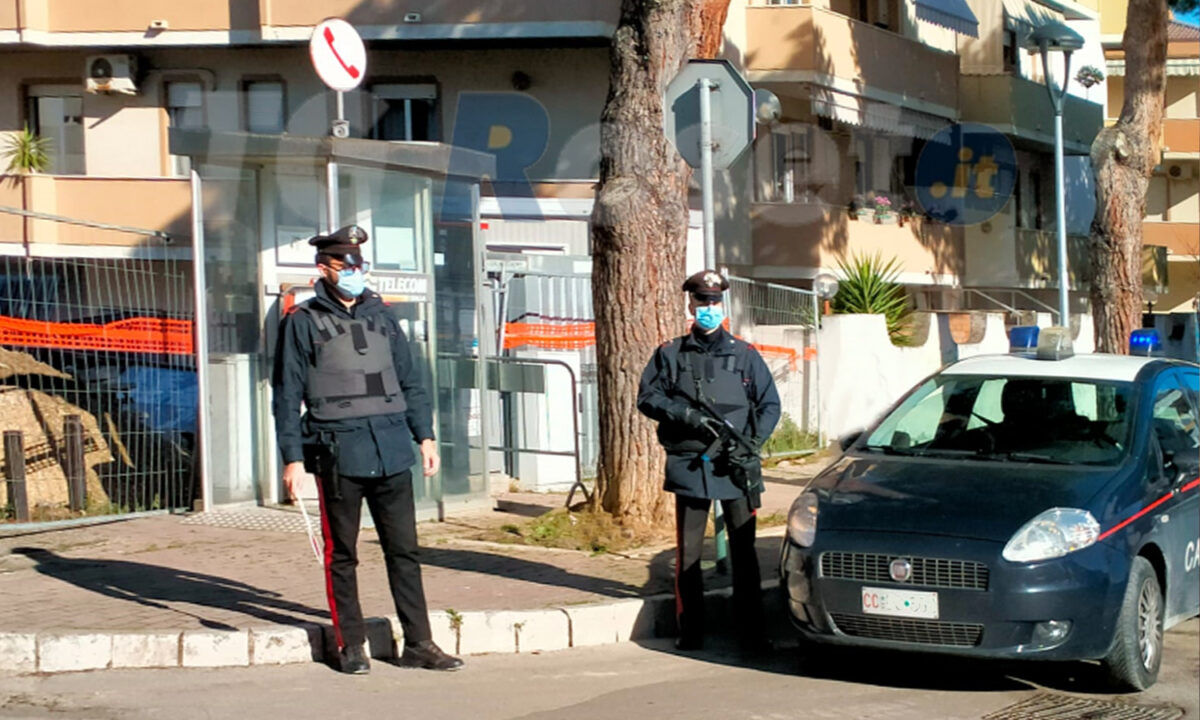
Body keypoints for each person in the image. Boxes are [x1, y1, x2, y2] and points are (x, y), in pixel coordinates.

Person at [272, 225, 462, 675]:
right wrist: (293, 459)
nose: (356, 271)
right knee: (344, 554)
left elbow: (411, 380)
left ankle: (419, 642)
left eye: (361, 264)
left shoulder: (384, 316)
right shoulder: (301, 322)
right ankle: (351, 644)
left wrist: (426, 436)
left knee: (405, 550)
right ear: (325, 268)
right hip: (338, 452)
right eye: (347, 264)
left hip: (392, 447)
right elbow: (286, 394)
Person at [637, 269, 781, 652]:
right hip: (691, 465)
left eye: (714, 302)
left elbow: (769, 405)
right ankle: (692, 631)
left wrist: (751, 444)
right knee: (689, 555)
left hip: (736, 466)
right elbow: (647, 398)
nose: (708, 308)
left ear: (723, 306)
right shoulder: (669, 354)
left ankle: (752, 634)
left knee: (744, 554)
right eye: (702, 301)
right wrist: (685, 415)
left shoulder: (745, 355)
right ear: (690, 303)